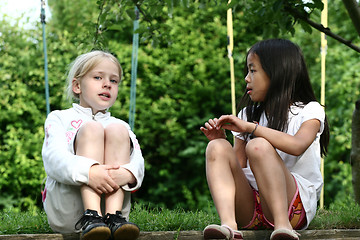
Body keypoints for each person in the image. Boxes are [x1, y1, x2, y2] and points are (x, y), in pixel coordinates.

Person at [200, 39, 329, 240]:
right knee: (216, 147)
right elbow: (239, 168)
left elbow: (297, 146)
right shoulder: (247, 114)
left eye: (253, 71)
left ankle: (282, 227)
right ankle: (229, 225)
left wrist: (253, 129)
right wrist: (220, 141)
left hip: (293, 207)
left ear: (276, 73)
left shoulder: (310, 110)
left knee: (258, 146)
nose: (246, 78)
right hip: (251, 209)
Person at [42, 50, 145, 240]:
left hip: (115, 215)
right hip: (69, 212)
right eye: (98, 77)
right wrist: (90, 172)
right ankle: (91, 215)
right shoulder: (59, 118)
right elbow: (53, 159)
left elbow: (138, 162)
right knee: (91, 129)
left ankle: (114, 217)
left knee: (117, 131)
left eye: (113, 81)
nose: (107, 84)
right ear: (77, 85)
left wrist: (127, 173)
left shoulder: (121, 126)